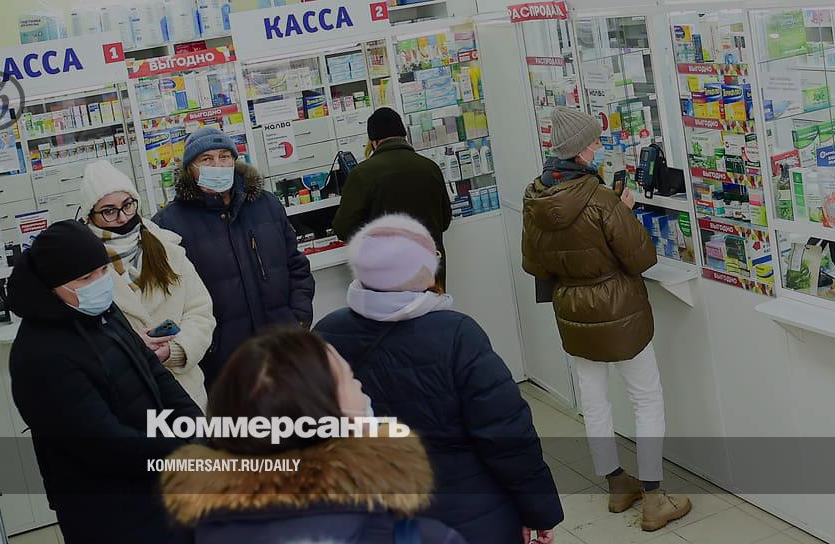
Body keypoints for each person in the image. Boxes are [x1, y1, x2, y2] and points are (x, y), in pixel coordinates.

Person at [315, 215, 563, 544]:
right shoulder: (457, 334)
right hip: (469, 514)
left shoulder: (326, 335)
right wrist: (538, 511)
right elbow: (507, 435)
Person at [521, 107, 692, 532]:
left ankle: (617, 485)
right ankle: (654, 497)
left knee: (593, 396)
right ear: (579, 150)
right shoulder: (600, 199)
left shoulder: (534, 196)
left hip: (573, 312)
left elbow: (533, 263)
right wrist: (623, 211)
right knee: (646, 397)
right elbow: (641, 256)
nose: (599, 146)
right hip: (619, 311)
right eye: (594, 141)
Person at [160, 328, 467, 544]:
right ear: (323, 413)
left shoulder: (199, 529)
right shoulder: (423, 538)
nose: (361, 388)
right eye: (349, 379)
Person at [7, 220, 201, 544]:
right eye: (85, 278)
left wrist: (194, 427)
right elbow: (103, 445)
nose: (99, 283)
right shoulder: (39, 355)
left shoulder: (104, 313)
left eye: (102, 270)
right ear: (51, 285)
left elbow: (152, 371)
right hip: (108, 510)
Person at [153, 127, 314, 386]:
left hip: (284, 348)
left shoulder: (266, 205)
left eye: (224, 156)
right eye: (206, 159)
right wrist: (206, 345)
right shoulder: (168, 224)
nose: (218, 165)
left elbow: (296, 266)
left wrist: (298, 319)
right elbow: (170, 300)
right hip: (223, 362)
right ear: (190, 168)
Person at [79, 159, 214, 411]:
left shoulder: (168, 247)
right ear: (91, 215)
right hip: (127, 400)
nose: (122, 217)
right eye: (109, 211)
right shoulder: (81, 267)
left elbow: (200, 312)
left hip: (186, 392)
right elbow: (80, 338)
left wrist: (174, 351)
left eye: (127, 205)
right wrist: (131, 349)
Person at [332, 107, 453, 288]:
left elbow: (343, 229)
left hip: (388, 276)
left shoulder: (362, 174)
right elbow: (445, 220)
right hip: (429, 271)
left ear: (374, 142)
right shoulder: (430, 168)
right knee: (431, 307)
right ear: (404, 135)